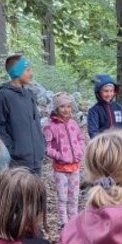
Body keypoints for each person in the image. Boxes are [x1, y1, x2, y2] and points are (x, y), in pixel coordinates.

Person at [0, 54, 45, 174]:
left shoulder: (29, 94)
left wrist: (41, 145)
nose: (31, 73)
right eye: (27, 70)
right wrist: (12, 150)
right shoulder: (4, 96)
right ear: (17, 71)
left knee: (37, 187)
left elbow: (36, 123)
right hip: (18, 162)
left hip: (36, 159)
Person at [44, 92, 86, 227]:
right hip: (60, 169)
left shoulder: (73, 123)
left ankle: (74, 221)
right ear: (56, 108)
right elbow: (46, 147)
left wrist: (80, 151)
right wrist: (60, 156)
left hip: (75, 167)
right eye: (62, 107)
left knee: (74, 196)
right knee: (62, 197)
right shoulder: (50, 126)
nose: (66, 110)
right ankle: (64, 223)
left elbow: (80, 138)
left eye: (68, 106)